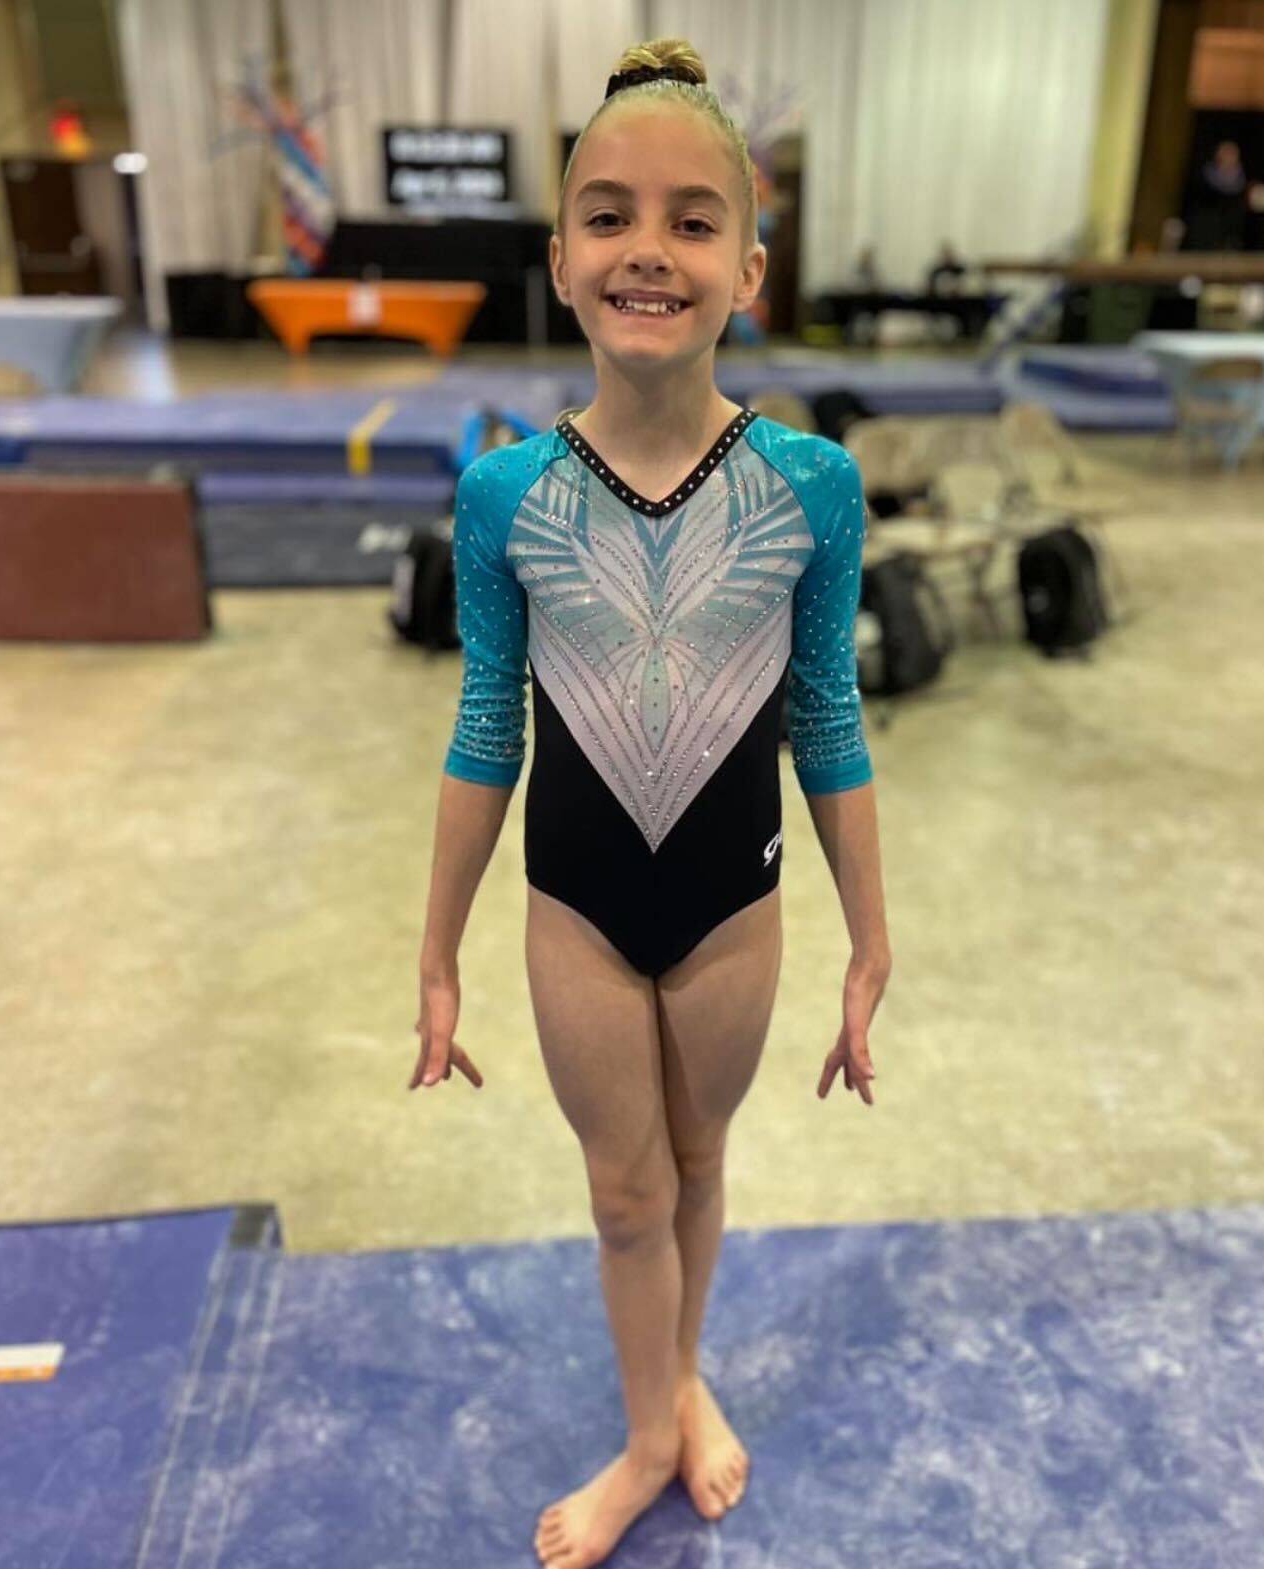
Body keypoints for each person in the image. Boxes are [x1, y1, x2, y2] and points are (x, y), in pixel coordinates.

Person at [411, 35, 892, 1569]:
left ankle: (685, 1378)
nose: (648, 249)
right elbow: (489, 722)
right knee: (624, 1193)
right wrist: (436, 954)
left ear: (749, 267)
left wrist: (868, 941)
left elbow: (824, 710)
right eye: (607, 213)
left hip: (735, 909)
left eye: (693, 220)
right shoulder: (506, 494)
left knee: (700, 1161)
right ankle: (643, 1432)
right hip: (576, 913)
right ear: (560, 260)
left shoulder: (809, 484)